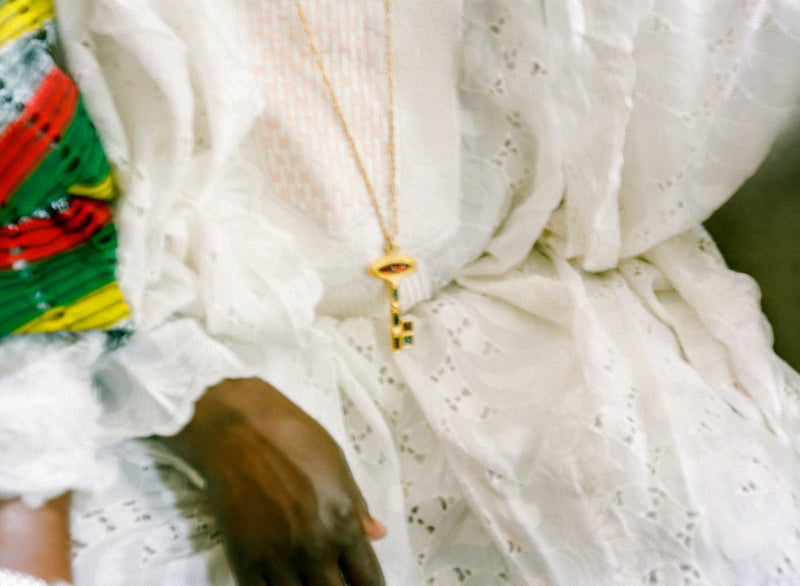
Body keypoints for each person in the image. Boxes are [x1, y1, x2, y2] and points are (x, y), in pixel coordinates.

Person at [1, 0, 800, 584]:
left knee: (710, 525)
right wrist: (206, 403)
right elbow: (38, 243)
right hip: (164, 357)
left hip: (522, 313)